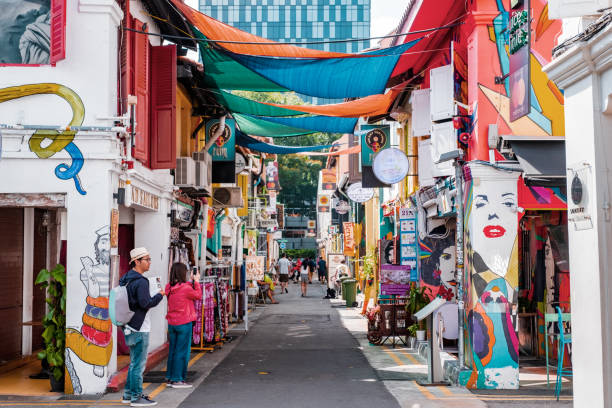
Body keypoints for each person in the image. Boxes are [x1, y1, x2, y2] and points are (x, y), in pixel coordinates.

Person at [120, 247, 164, 407]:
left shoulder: (125, 279)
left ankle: (128, 394)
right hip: (140, 327)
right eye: (147, 259)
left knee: (133, 362)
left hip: (128, 325)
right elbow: (146, 303)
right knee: (138, 364)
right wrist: (160, 295)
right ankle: (136, 397)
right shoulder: (141, 281)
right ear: (137, 262)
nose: (149, 262)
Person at [165, 263, 202, 388]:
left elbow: (182, 288)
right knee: (182, 352)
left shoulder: (168, 287)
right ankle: (178, 379)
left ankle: (170, 377)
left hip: (172, 323)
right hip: (184, 322)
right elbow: (198, 295)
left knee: (173, 351)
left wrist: (191, 281)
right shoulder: (185, 289)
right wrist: (196, 281)